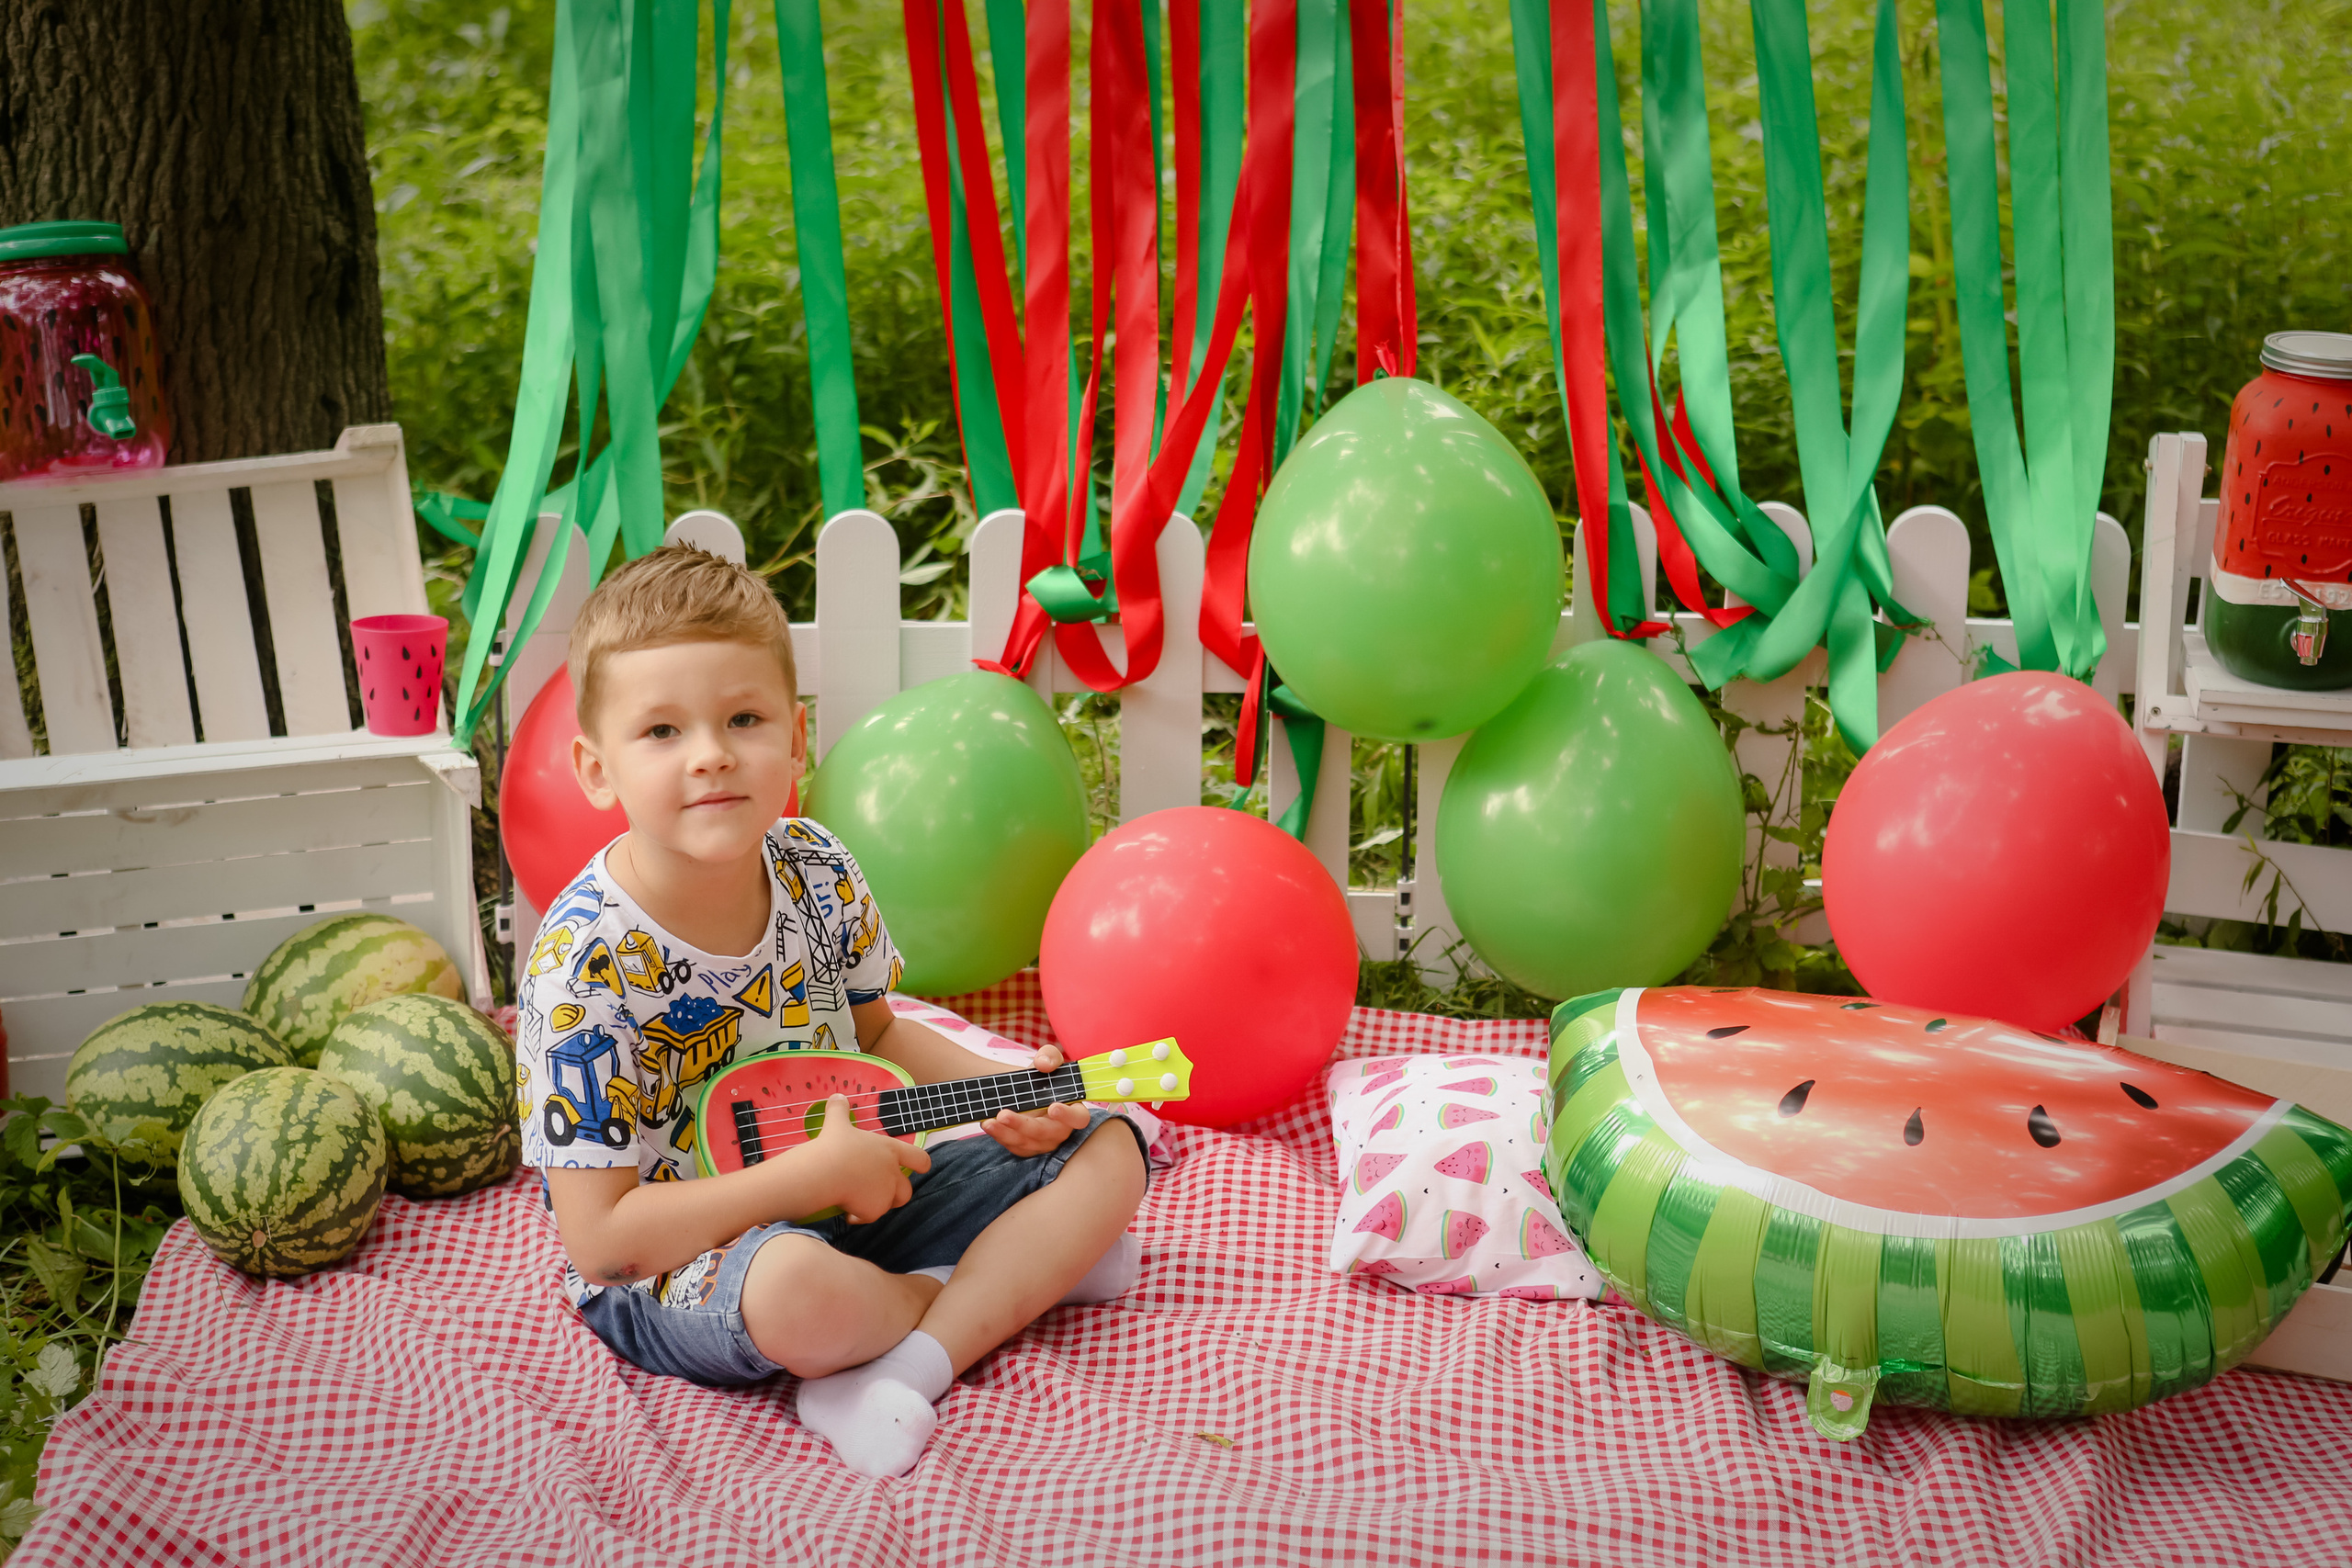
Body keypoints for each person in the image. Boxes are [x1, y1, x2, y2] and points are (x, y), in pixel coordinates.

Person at [514, 545, 1148, 1479]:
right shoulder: (583, 966)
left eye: (743, 717)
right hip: (692, 1261)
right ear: (595, 768)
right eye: (661, 732)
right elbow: (602, 1242)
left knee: (1109, 1147)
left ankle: (897, 1366)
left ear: (796, 738)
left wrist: (1015, 1091)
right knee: (798, 1292)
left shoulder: (815, 867)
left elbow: (879, 1037)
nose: (712, 755)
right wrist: (808, 1177)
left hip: (861, 1186)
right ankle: (989, 1288)